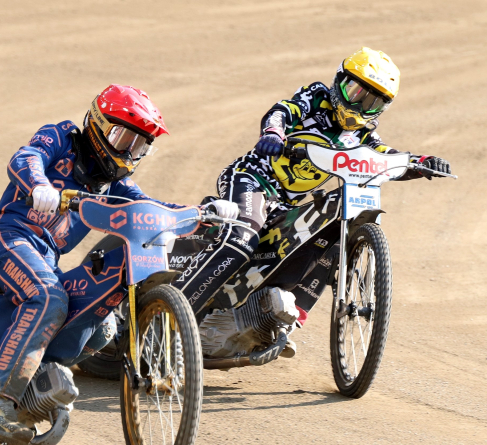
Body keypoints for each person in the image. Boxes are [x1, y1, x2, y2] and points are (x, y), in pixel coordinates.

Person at [0, 84, 195, 445]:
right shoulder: (62, 137)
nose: (129, 151)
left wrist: (203, 214)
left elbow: (150, 208)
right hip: (10, 235)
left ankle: (29, 388)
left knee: (100, 330)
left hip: (46, 256)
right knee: (49, 298)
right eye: (123, 137)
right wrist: (38, 185)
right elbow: (26, 157)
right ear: (98, 125)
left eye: (140, 145)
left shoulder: (115, 183)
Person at [174, 47, 451, 318]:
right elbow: (282, 111)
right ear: (339, 81)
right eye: (355, 93)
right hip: (252, 179)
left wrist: (421, 162)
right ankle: (177, 308)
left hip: (286, 203)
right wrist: (273, 132)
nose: (359, 106)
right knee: (243, 238)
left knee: (330, 238)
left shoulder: (363, 136)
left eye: (371, 102)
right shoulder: (317, 97)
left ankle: (281, 318)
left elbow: (386, 157)